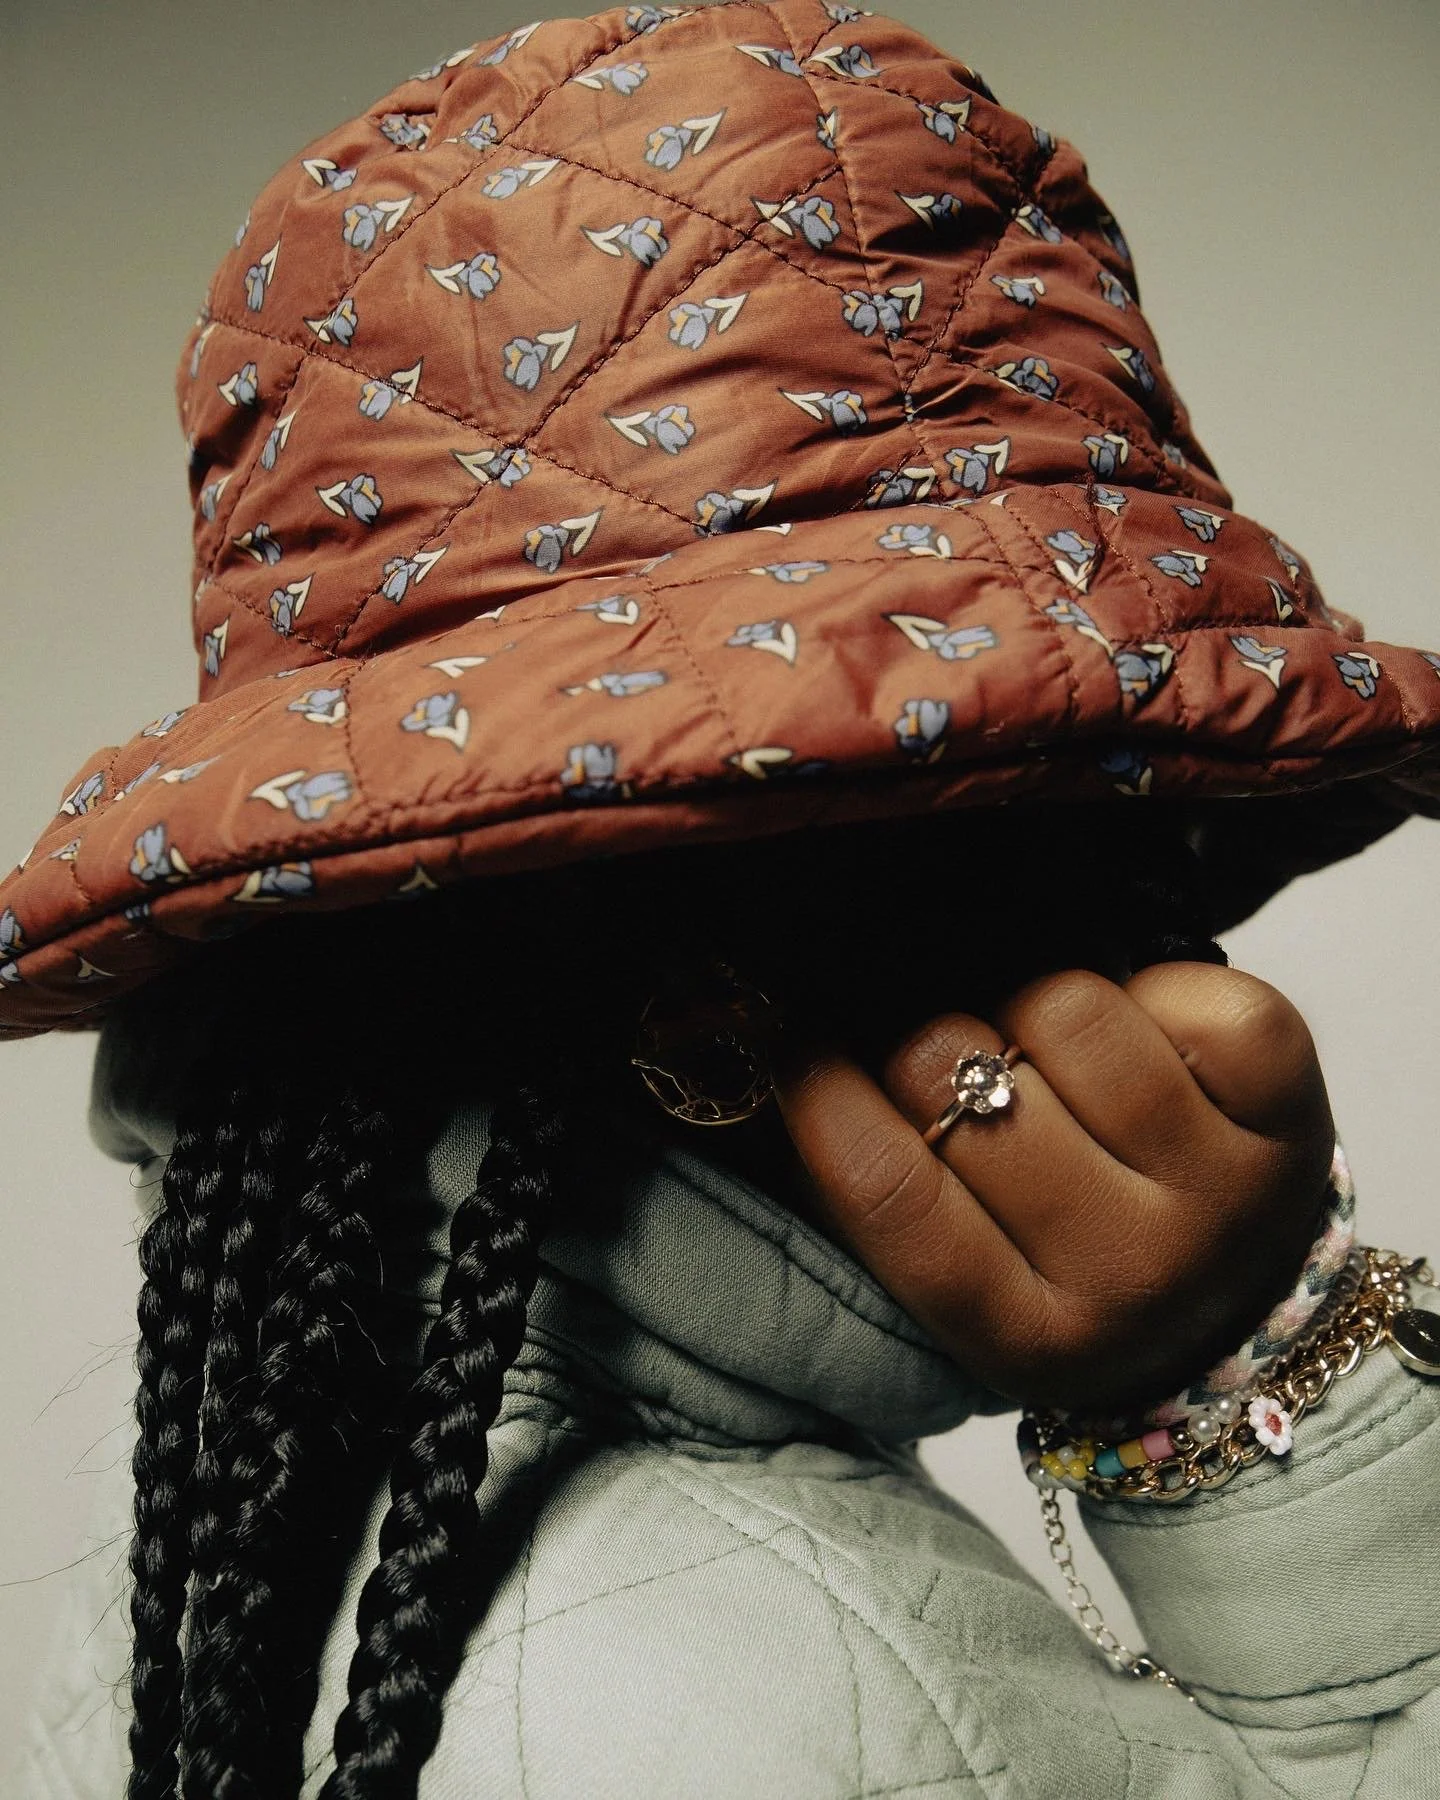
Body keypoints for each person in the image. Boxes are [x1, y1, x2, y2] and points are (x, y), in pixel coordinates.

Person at [6, 2, 1440, 1795]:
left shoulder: (262, 1534)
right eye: (1094, 820)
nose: (1183, 926)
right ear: (707, 1020)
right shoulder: (761, 1700)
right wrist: (1256, 1387)